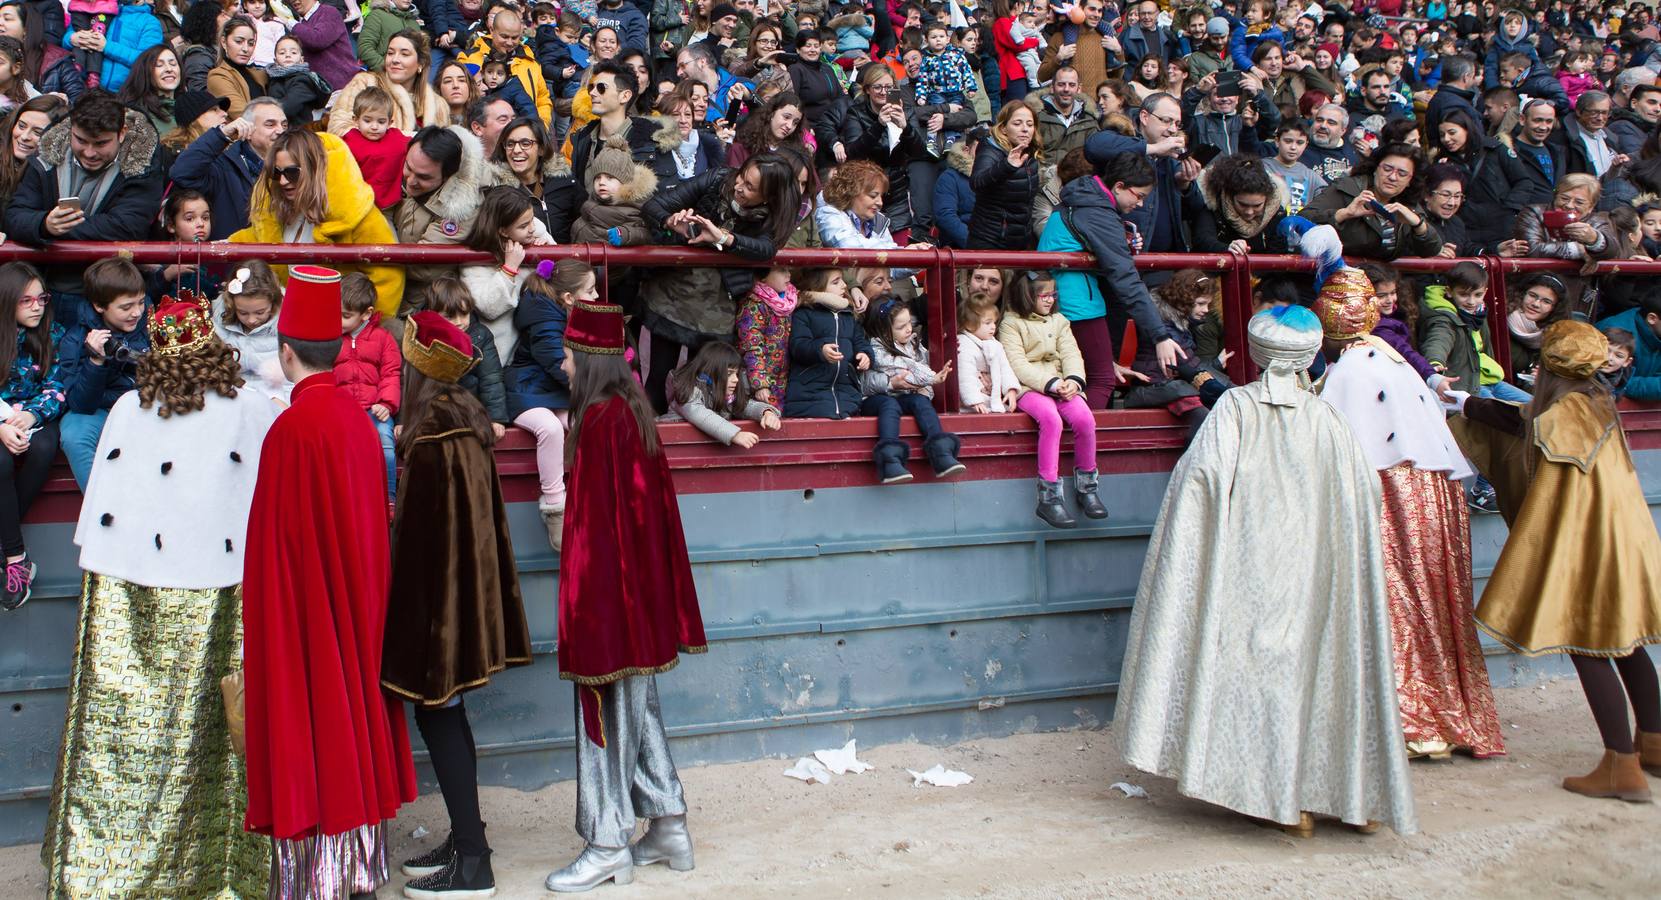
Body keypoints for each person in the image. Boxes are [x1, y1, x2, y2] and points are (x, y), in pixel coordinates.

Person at [1115, 304, 1416, 838]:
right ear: (1307, 355)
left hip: (1251, 563)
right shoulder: (1328, 420)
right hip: (1321, 565)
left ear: (1257, 353)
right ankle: (1344, 793)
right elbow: (1363, 493)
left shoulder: (1235, 409)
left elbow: (1199, 482)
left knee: (1265, 668)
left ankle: (1281, 796)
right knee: (1325, 668)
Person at [42, 293, 274, 897]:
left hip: (124, 584)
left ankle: (102, 869)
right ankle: (217, 869)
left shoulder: (126, 408)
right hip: (224, 585)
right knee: (219, 727)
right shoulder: (252, 410)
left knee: (118, 730)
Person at [241, 265, 416, 898]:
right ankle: (356, 866)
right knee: (353, 717)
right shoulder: (358, 423)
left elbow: (274, 547)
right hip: (360, 602)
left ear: (285, 352)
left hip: (307, 612)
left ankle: (317, 875)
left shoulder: (291, 428)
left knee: (314, 727)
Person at [1447, 321, 1661, 801]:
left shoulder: (1561, 418)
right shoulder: (1595, 402)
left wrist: (1465, 410)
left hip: (1584, 545)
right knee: (1626, 643)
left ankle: (1619, 767)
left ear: (1549, 367)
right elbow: (1522, 418)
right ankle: (1654, 743)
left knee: (1586, 641)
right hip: (1625, 540)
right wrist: (1467, 405)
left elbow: (1529, 430)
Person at [544, 300, 706, 893]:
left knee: (605, 716)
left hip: (611, 606)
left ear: (587, 358)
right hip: (638, 602)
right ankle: (667, 824)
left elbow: (594, 535)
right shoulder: (631, 411)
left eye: (566, 355)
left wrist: (589, 620)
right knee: (638, 709)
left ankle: (608, 841)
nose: (561, 367)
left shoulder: (601, 421)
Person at [1312, 263, 1505, 761]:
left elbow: (1339, 447)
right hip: (1432, 492)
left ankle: (1409, 717)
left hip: (1385, 493)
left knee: (1391, 594)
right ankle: (1440, 716)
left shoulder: (1349, 371)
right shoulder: (1393, 360)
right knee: (1432, 597)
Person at [384, 310, 531, 899]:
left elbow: (422, 535)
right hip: (461, 596)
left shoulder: (434, 430)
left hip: (437, 605)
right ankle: (468, 841)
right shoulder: (464, 415)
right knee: (447, 715)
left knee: (437, 713)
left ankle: (473, 863)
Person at [638, 155, 797, 413]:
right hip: (673, 294)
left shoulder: (773, 216)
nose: (739, 187)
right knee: (657, 381)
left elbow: (767, 249)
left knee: (702, 389)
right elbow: (653, 206)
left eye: (750, 187)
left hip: (720, 306)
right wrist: (671, 222)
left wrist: (724, 237)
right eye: (742, 178)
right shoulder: (717, 178)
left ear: (768, 197)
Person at [2, 90, 162, 323]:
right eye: (81, 140)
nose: (89, 152)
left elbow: (128, 226)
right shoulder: (45, 155)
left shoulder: (143, 164)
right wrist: (44, 224)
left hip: (111, 295)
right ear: (70, 131)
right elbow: (15, 215)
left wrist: (57, 228)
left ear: (122, 133)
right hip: (45, 288)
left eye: (101, 143)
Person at [1039, 152, 1179, 409]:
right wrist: (1160, 335)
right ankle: (1085, 444)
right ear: (1119, 186)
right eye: (1139, 196)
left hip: (1060, 294)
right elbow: (1126, 277)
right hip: (1077, 300)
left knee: (1077, 378)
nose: (1139, 205)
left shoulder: (1085, 199)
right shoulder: (1098, 213)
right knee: (1102, 378)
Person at [230, 129, 405, 319]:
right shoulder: (278, 211)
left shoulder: (357, 215)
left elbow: (388, 279)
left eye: (292, 173)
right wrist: (223, 247)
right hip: (288, 320)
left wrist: (353, 326)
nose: (282, 181)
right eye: (276, 172)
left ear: (316, 169)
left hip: (336, 329)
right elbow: (257, 238)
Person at [998, 272, 1105, 528]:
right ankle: (1049, 497)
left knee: (1084, 419)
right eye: (1043, 295)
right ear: (1027, 296)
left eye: (1053, 295)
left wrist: (1073, 380)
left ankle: (1088, 488)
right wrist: (1052, 385)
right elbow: (1017, 364)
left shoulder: (1059, 320)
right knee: (1051, 420)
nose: (1049, 300)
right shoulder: (1011, 323)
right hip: (1031, 387)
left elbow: (1071, 353)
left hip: (1062, 384)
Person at [56, 256, 150, 490]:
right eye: (126, 307)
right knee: (74, 435)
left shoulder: (152, 323)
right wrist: (96, 360)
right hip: (99, 408)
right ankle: (100, 506)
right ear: (99, 306)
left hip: (144, 404)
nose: (136, 312)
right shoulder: (75, 338)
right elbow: (81, 404)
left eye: (140, 302)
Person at [0, 261, 63, 610]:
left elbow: (58, 385)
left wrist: (33, 413)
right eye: (26, 301)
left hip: (35, 417)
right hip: (0, 418)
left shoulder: (51, 333)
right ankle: (14, 557)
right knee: (0, 463)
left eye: (41, 298)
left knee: (42, 449)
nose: (37, 306)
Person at [859, 297, 967, 483]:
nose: (909, 329)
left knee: (921, 401)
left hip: (903, 396)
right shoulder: (876, 349)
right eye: (901, 327)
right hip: (874, 398)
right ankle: (890, 461)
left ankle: (941, 452)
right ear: (884, 331)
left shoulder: (913, 344)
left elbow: (921, 372)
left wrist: (927, 390)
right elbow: (908, 370)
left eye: (909, 322)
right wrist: (932, 379)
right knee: (889, 404)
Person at [393, 125, 490, 314]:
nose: (411, 180)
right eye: (408, 168)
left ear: (448, 176)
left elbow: (423, 265)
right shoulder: (400, 160)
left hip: (421, 305)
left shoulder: (462, 206)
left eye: (423, 177)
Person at [1301, 141, 1443, 261]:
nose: (1393, 177)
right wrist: (1344, 213)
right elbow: (1302, 220)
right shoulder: (1347, 188)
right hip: (1337, 278)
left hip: (1382, 282)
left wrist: (1418, 224)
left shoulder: (1407, 202)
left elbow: (1431, 250)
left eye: (1402, 174)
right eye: (1387, 169)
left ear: (1410, 181)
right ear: (1375, 169)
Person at [170, 96, 286, 240]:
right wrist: (222, 135)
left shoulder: (293, 167)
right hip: (234, 259)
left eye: (284, 125)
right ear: (248, 128)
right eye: (270, 124)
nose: (281, 130)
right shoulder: (222, 164)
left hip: (283, 258)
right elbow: (182, 173)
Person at [335, 273, 400, 503]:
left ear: (366, 314)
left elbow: (391, 373)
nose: (337, 320)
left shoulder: (383, 339)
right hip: (341, 409)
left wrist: (386, 404)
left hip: (374, 409)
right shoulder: (330, 339)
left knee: (385, 446)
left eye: (345, 316)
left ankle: (389, 498)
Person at [328, 29, 448, 136]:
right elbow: (339, 129)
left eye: (404, 54)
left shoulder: (439, 105)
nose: (395, 60)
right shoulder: (365, 84)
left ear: (421, 64)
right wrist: (400, 141)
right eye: (390, 53)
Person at [663, 340, 781, 447]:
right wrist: (734, 434)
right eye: (729, 374)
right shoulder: (688, 393)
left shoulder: (727, 397)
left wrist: (766, 412)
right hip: (674, 448)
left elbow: (744, 405)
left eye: (736, 374)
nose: (736, 379)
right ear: (712, 372)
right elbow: (701, 415)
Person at [968, 100, 1040, 250]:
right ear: (1004, 128)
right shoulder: (990, 150)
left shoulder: (1031, 154)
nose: (1025, 129)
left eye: (1030, 124)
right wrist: (1006, 166)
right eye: (1017, 123)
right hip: (990, 241)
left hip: (1019, 242)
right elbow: (977, 182)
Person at [343, 86, 413, 211]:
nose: (374, 127)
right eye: (367, 120)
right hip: (357, 205)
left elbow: (418, 144)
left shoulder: (396, 138)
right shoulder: (349, 141)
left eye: (381, 122)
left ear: (390, 122)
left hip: (390, 207)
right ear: (356, 120)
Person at [288, 0, 359, 92]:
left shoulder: (329, 12)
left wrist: (290, 22)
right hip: (319, 92)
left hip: (343, 89)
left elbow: (317, 40)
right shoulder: (298, 21)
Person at [204, 15, 267, 119]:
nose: (246, 49)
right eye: (239, 41)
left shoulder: (259, 73)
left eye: (251, 43)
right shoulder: (217, 76)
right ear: (224, 42)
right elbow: (244, 115)